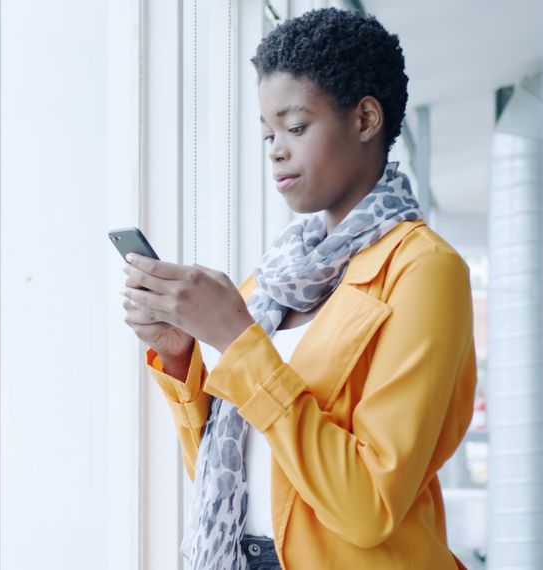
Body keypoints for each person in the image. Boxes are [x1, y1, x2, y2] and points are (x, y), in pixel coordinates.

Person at [120, 8, 475, 569]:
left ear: (364, 119)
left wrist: (237, 343)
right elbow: (233, 471)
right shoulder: (272, 281)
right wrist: (180, 352)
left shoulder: (424, 270)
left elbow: (367, 506)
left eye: (296, 127)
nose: (276, 149)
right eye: (268, 133)